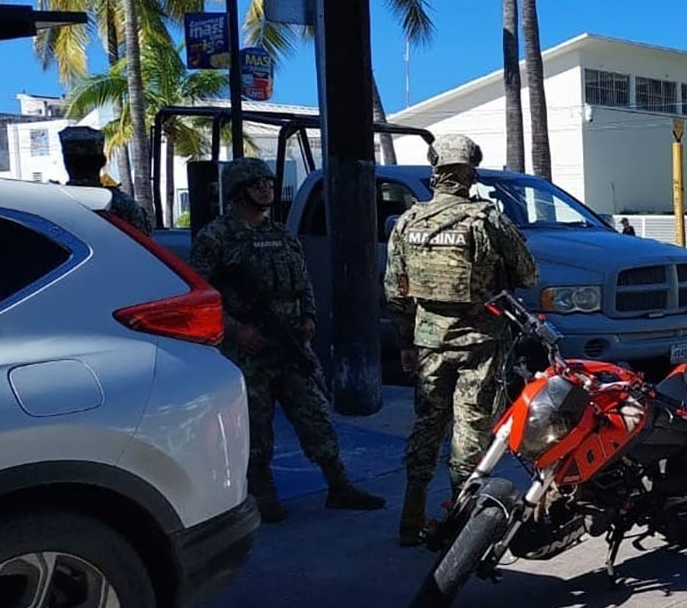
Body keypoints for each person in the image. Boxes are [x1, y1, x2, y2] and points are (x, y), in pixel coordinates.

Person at [189, 157, 387, 523]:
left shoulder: (281, 235)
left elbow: (304, 282)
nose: (266, 189)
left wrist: (309, 317)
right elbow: (199, 294)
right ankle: (263, 496)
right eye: (257, 184)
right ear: (238, 191)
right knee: (256, 428)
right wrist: (237, 330)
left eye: (269, 183)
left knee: (315, 416)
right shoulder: (215, 238)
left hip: (291, 344)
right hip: (249, 350)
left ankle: (339, 485)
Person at [385, 134, 538, 547]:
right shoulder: (486, 219)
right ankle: (460, 529)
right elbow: (527, 274)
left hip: (428, 342)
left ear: (435, 170)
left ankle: (410, 519)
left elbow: (395, 290)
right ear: (471, 171)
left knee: (427, 426)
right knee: (470, 431)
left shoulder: (409, 222)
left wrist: (406, 341)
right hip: (479, 343)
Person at [59, 126, 153, 235]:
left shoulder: (53, 203)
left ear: (66, 163)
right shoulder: (122, 204)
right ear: (102, 163)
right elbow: (143, 239)